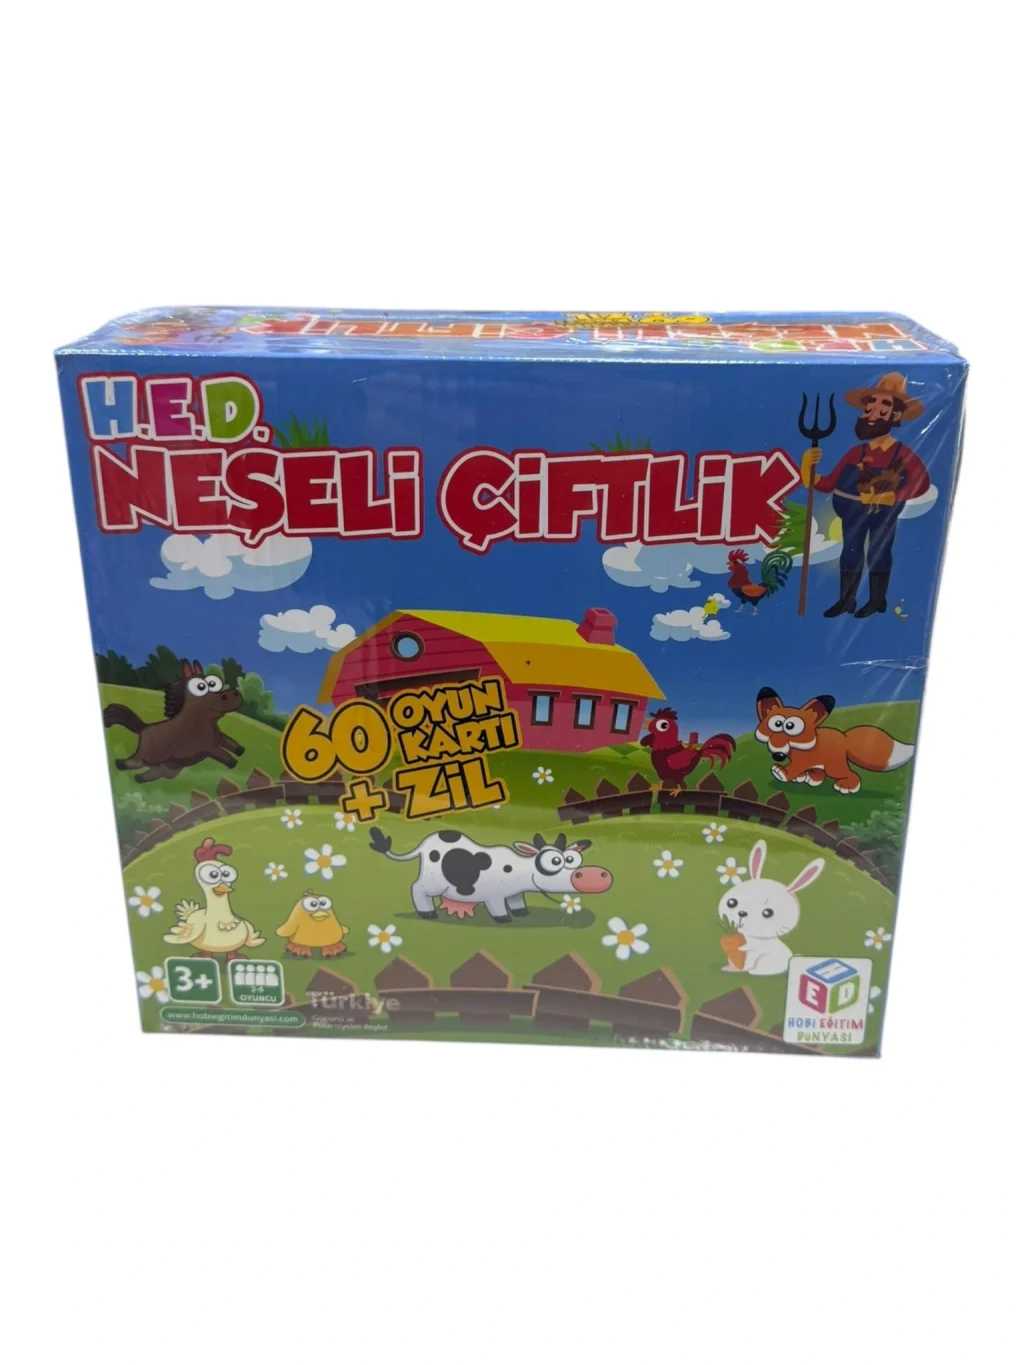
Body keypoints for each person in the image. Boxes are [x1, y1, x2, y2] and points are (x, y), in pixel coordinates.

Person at [802, 373, 930, 619]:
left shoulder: (901, 453)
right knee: (850, 552)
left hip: (883, 514)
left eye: (883, 406)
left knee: (878, 552)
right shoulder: (855, 452)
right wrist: (807, 467)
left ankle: (876, 600)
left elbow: (921, 482)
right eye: (870, 405)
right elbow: (828, 484)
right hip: (851, 514)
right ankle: (846, 600)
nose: (872, 413)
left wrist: (893, 496)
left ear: (896, 416)